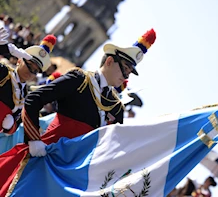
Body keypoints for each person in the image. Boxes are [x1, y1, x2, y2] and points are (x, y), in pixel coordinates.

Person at [22, 29, 156, 157]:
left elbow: (112, 145)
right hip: (48, 156)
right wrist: (34, 141)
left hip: (77, 174)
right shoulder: (79, 79)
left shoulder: (116, 107)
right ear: (109, 61)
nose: (126, 76)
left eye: (129, 73)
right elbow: (33, 99)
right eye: (125, 69)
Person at [0, 27, 56, 136]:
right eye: (29, 66)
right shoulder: (4, 73)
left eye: (35, 71)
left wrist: (10, 127)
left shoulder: (25, 95)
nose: (30, 72)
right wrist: (6, 49)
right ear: (19, 60)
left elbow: (16, 124)